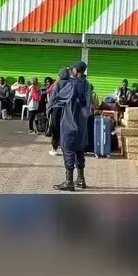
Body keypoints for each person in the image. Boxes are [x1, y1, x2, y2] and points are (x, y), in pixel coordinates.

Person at [52, 61, 92, 191]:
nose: (70, 71)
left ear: (76, 70)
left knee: (68, 149)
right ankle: (81, 179)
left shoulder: (72, 85)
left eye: (71, 69)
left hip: (70, 123)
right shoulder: (87, 85)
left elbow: (58, 99)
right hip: (82, 124)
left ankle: (69, 182)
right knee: (79, 150)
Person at [46, 76, 62, 155]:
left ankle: (54, 149)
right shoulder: (71, 84)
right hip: (67, 110)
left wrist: (48, 111)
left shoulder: (57, 84)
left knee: (55, 128)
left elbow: (52, 98)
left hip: (56, 108)